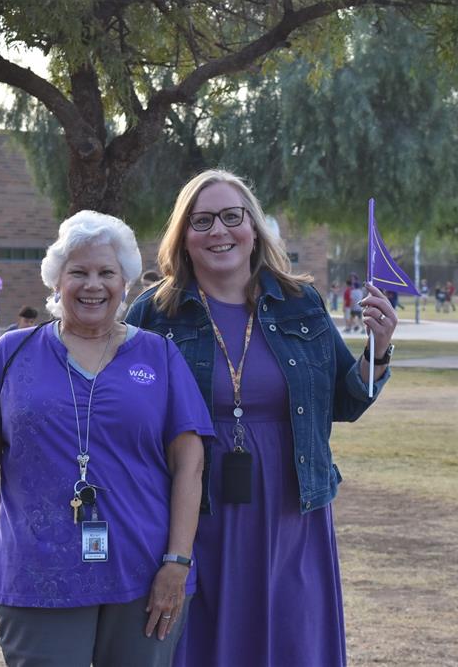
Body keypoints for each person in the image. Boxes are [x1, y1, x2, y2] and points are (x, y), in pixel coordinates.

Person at [126, 169, 396, 667]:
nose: (219, 231)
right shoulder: (154, 312)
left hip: (291, 507)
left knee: (290, 633)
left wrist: (377, 352)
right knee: (198, 636)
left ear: (254, 228)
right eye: (202, 221)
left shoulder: (301, 303)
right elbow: (119, 406)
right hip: (194, 507)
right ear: (183, 238)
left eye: (233, 216)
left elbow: (346, 400)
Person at [0, 210, 214, 666]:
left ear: (126, 284)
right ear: (56, 282)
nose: (92, 285)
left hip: (142, 574)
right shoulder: (12, 352)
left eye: (106, 273)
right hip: (37, 575)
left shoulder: (159, 355)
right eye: (78, 272)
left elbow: (190, 467)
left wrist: (177, 563)